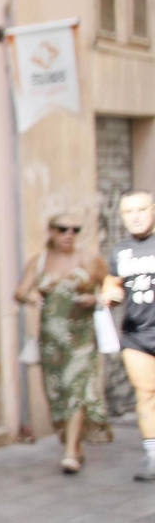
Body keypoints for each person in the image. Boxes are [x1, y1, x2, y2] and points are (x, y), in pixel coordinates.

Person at [15, 211, 111, 473]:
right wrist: (31, 298)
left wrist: (97, 299)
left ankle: (69, 453)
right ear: (51, 232)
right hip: (51, 342)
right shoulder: (40, 260)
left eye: (75, 230)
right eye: (62, 229)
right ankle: (74, 443)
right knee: (57, 395)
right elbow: (20, 291)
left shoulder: (88, 258)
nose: (69, 234)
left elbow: (111, 286)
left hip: (81, 339)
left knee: (77, 390)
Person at [104, 190, 155, 482]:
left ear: (153, 210)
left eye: (141, 209)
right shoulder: (121, 250)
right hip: (137, 334)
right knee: (146, 394)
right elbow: (112, 282)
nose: (135, 217)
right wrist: (110, 294)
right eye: (128, 212)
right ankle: (152, 456)